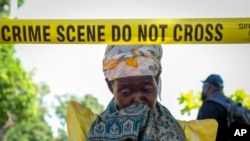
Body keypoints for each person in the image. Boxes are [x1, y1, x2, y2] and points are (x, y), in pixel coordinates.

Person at [86, 45, 186, 140]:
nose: (138, 99)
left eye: (147, 90)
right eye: (126, 92)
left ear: (156, 80)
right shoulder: (97, 132)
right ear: (110, 87)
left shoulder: (172, 130)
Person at [197, 74, 230, 141]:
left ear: (208, 87)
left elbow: (203, 135)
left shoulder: (210, 104)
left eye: (203, 86)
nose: (202, 89)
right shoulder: (229, 104)